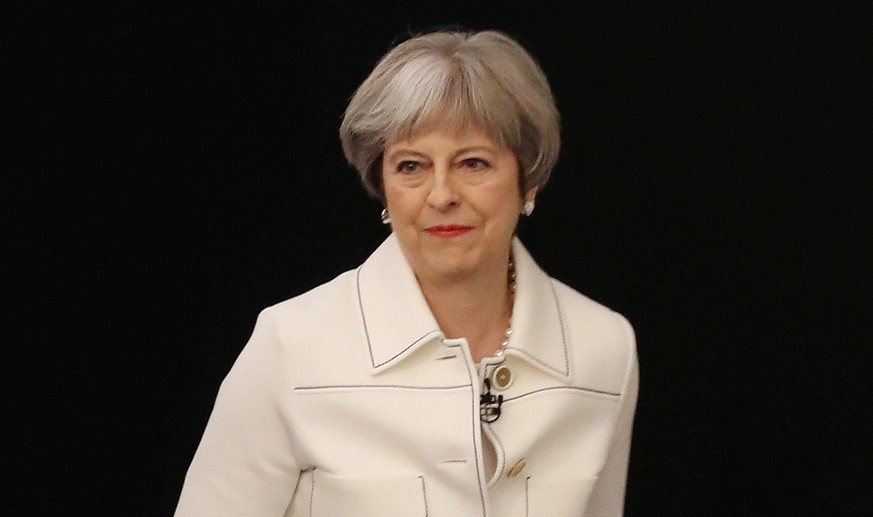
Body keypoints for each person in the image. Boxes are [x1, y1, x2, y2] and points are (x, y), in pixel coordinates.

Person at [174, 28, 639, 517]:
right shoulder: (291, 346)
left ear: (529, 181)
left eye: (473, 163)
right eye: (412, 166)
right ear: (383, 184)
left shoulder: (604, 349)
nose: (441, 196)